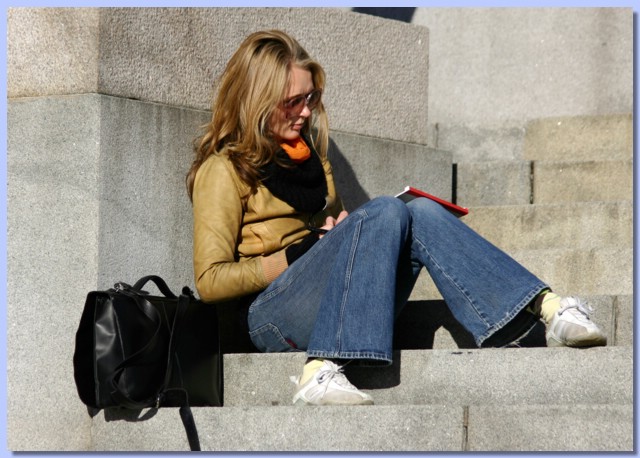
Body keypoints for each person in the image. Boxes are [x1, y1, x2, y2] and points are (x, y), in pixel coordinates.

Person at [186, 29, 606, 406]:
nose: (306, 111)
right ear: (257, 102)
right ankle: (318, 371)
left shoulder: (314, 160)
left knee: (418, 211)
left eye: (310, 98)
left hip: (327, 300)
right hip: (269, 318)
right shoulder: (222, 170)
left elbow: (328, 235)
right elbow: (209, 281)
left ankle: (547, 307)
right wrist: (296, 255)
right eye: (293, 102)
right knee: (386, 208)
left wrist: (341, 235)